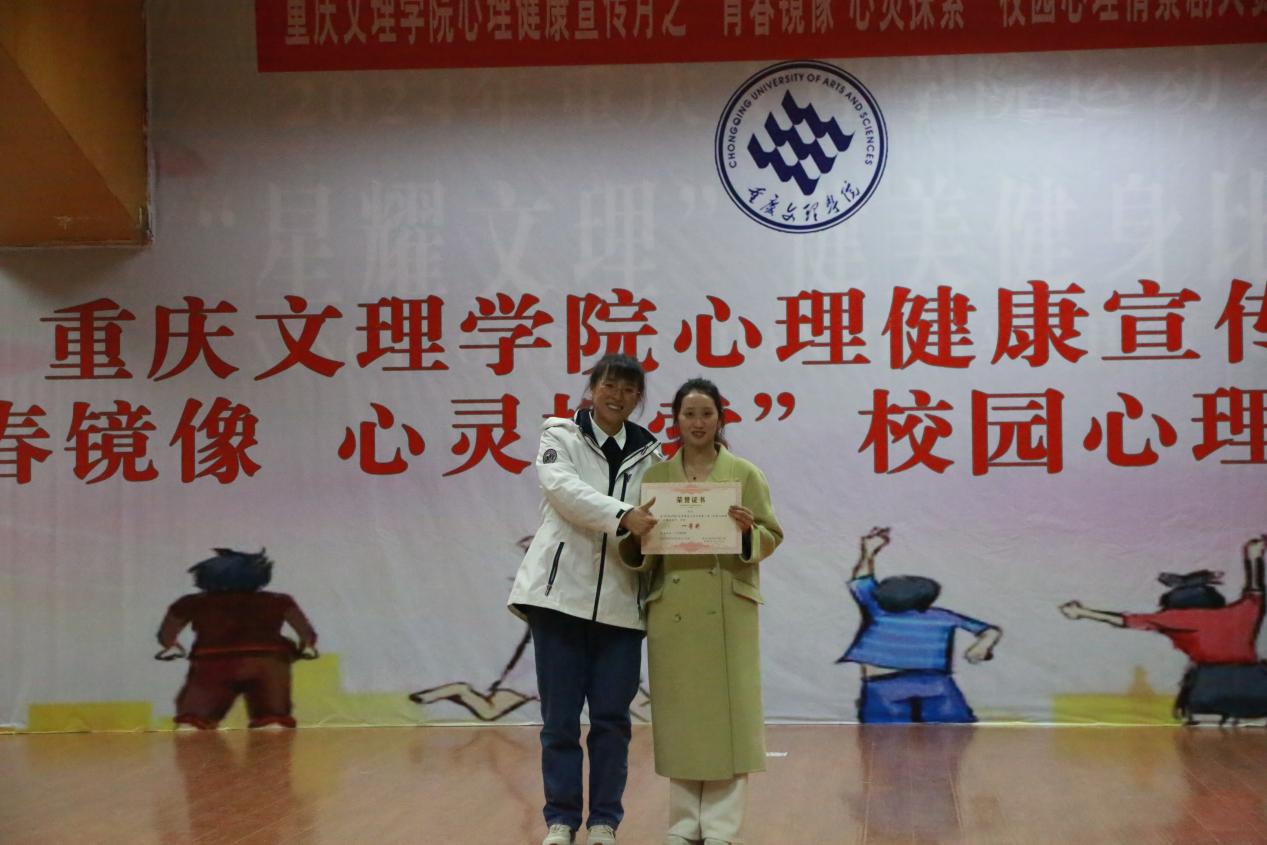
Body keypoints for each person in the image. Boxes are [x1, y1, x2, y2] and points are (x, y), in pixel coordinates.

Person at [618, 378, 783, 845]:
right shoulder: (656, 477)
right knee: (682, 717)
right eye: (688, 414)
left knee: (729, 716)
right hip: (672, 607)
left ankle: (722, 827)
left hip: (728, 606)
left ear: (720, 419)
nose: (697, 422)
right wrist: (637, 534)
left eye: (706, 413)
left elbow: (771, 535)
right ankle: (684, 823)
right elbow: (640, 549)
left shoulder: (744, 474)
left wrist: (748, 532)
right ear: (675, 420)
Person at [507, 353, 663, 845]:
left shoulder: (653, 456)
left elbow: (663, 521)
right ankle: (561, 820)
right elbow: (564, 491)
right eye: (609, 385)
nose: (618, 396)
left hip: (622, 605)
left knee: (613, 722)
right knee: (559, 721)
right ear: (592, 388)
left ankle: (603, 822)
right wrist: (625, 515)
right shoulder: (560, 435)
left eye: (629, 390)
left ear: (639, 400)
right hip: (558, 602)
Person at [1061, 535, 1267, 724]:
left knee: (1203, 724)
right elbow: (1255, 588)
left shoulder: (1175, 619)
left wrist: (1083, 612)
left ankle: (1208, 718)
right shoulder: (1241, 612)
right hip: (1256, 687)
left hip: (1208, 691)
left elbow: (1125, 620)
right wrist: (1253, 557)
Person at [838, 527, 1001, 724]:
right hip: (932, 683)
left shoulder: (877, 609)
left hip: (886, 685)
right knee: (952, 734)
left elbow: (861, 579)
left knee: (885, 738)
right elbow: (989, 630)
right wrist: (982, 645)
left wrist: (869, 552)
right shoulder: (942, 616)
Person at [155, 548, 318, 729]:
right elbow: (304, 630)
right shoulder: (280, 600)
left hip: (212, 663)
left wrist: (170, 645)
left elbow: (167, 633)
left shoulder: (189, 602)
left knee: (194, 720)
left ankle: (194, 728)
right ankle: (272, 728)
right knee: (272, 717)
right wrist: (307, 645)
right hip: (268, 662)